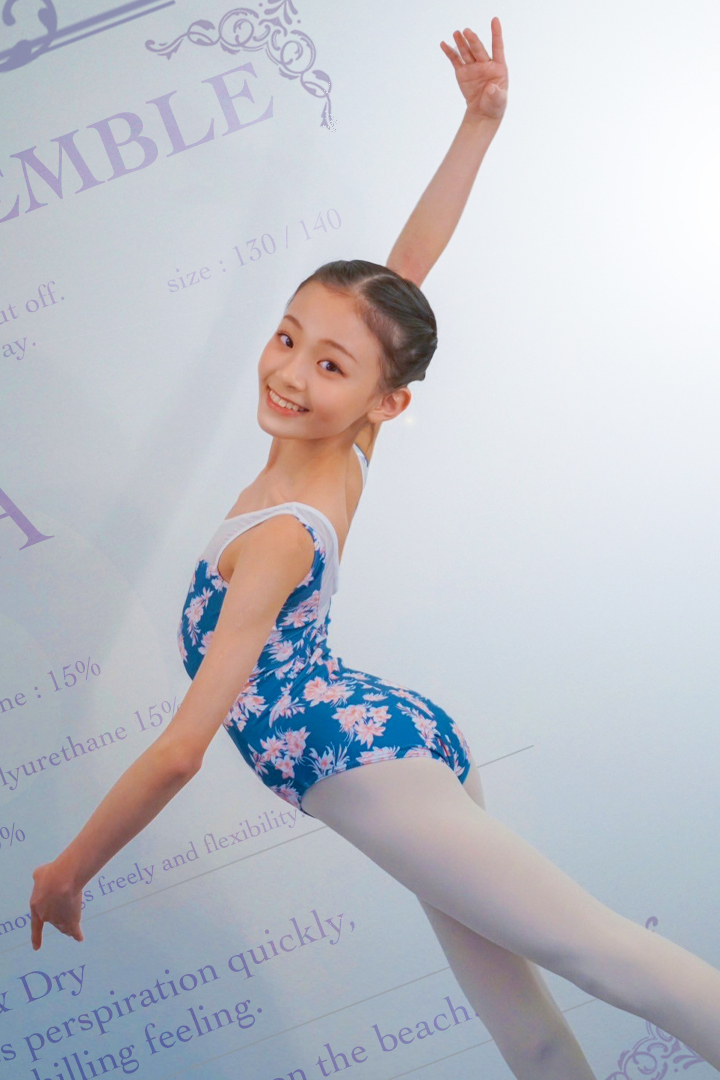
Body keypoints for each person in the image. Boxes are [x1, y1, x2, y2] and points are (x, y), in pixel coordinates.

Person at [29, 18, 720, 1080]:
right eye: (287, 336)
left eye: (330, 366)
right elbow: (405, 275)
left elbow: (179, 751)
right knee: (528, 1031)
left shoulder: (278, 536)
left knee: (607, 956)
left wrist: (70, 868)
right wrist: (479, 125)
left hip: (366, 765)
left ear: (384, 401)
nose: (290, 372)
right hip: (387, 740)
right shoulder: (341, 449)